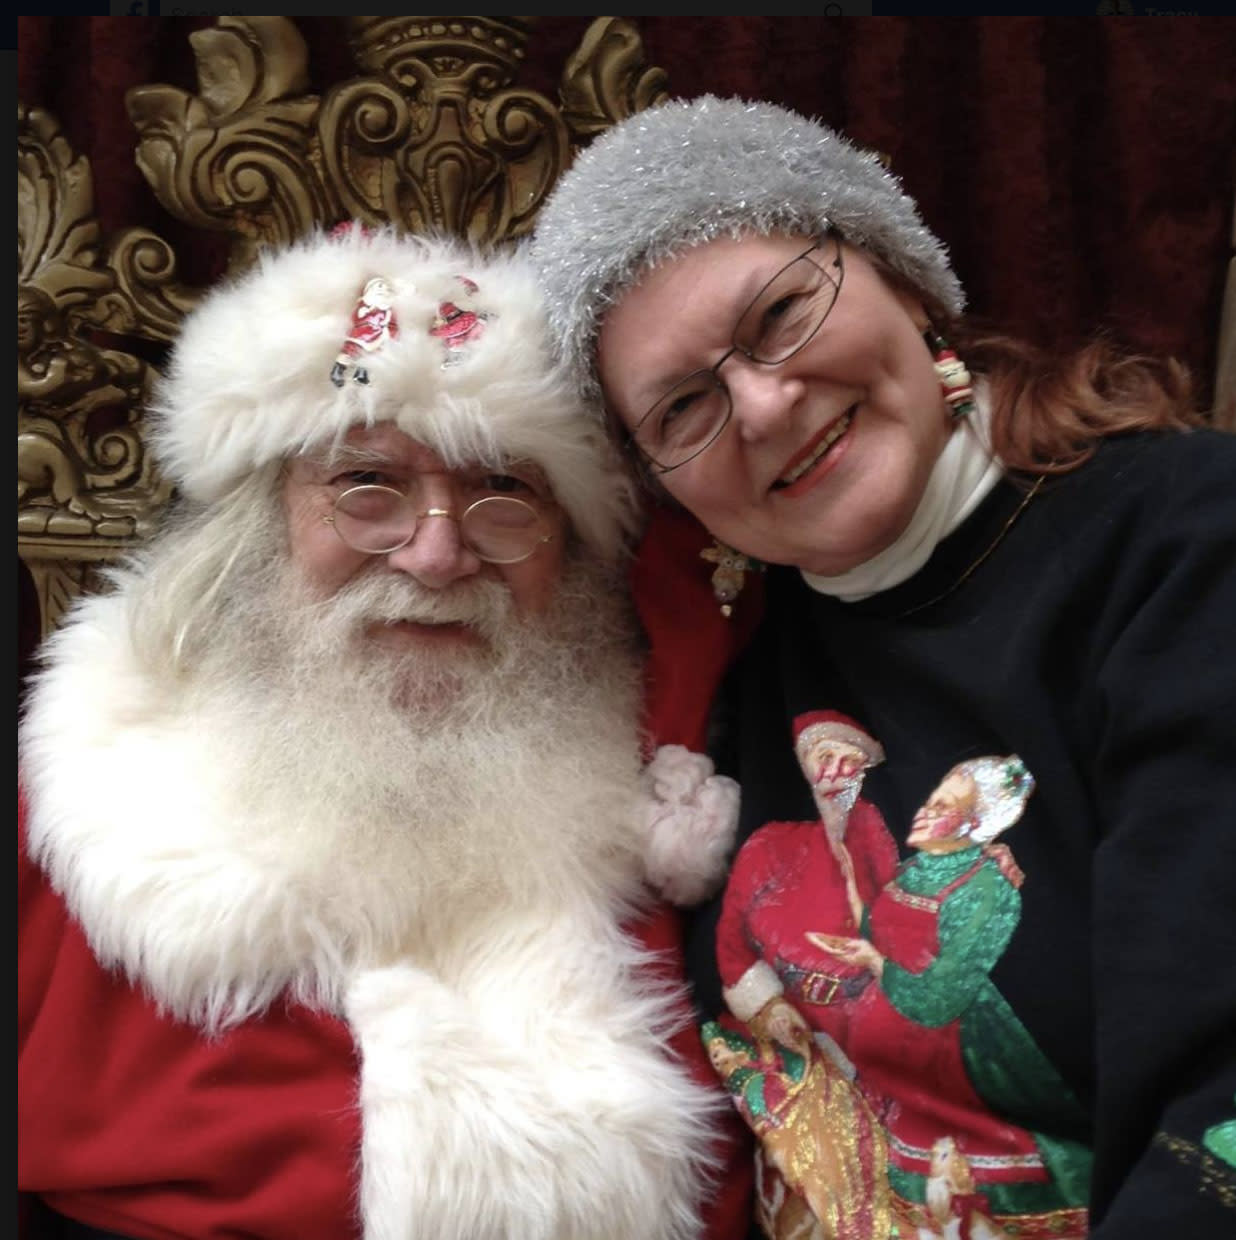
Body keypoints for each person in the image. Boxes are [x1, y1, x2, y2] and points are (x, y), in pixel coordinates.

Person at [530, 94, 1236, 1238]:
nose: (760, 404)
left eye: (780, 316)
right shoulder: (731, 658)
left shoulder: (1183, 548)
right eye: (684, 407)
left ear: (901, 274)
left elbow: (1216, 1101)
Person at [17, 226, 751, 1240]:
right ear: (263, 523)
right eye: (366, 486)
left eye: (504, 494)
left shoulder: (684, 766)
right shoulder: (85, 785)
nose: (439, 553)